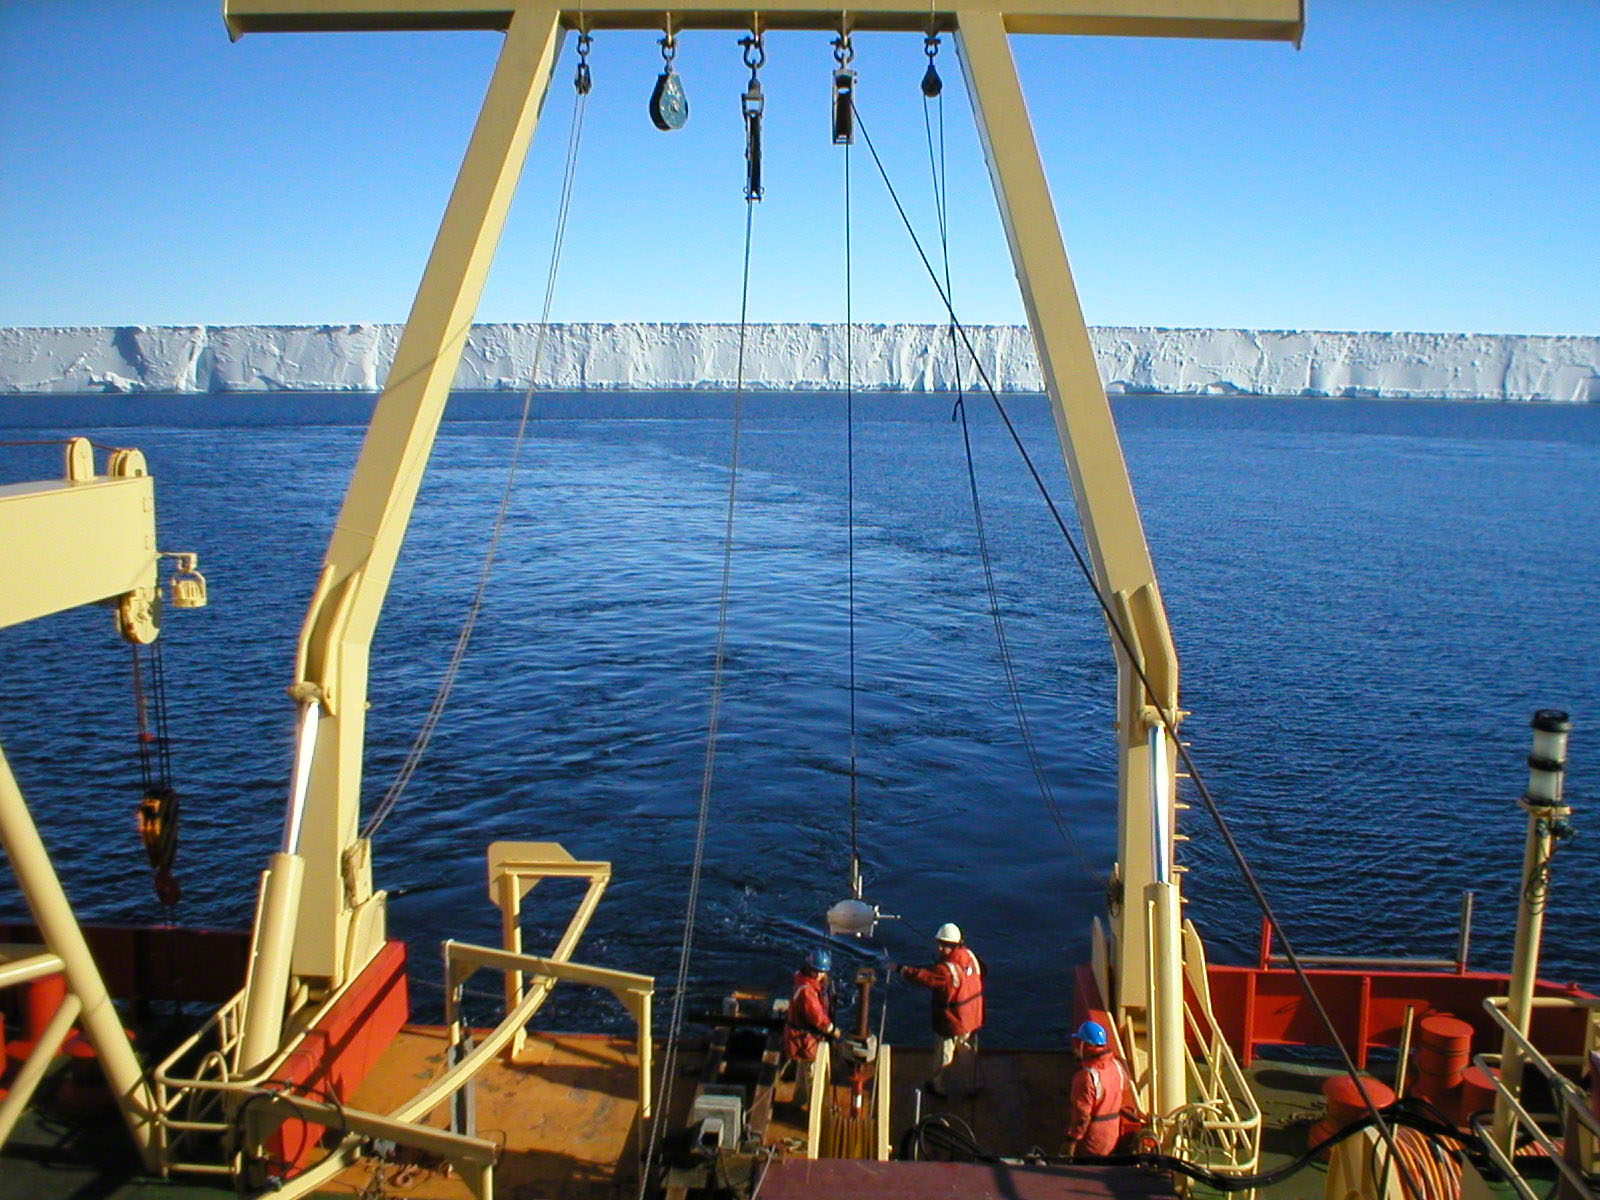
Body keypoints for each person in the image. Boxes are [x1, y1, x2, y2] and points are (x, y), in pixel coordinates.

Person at [896, 922, 983, 1097]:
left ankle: (938, 1088)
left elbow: (924, 978)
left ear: (950, 945)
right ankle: (973, 1086)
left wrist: (900, 969)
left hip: (951, 1022)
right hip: (972, 1018)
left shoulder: (945, 970)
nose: (939, 948)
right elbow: (981, 972)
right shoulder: (970, 956)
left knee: (943, 1056)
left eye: (942, 945)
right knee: (968, 1055)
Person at [1062, 1019, 1129, 1158]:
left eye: (1078, 1042)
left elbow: (1082, 1115)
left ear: (1085, 1045)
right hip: (1112, 1137)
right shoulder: (1117, 1067)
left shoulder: (1086, 1076)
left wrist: (1071, 1141)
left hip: (1091, 1142)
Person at [782, 947, 839, 1098]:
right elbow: (817, 1017)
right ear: (809, 968)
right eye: (816, 971)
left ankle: (801, 1098)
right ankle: (808, 1104)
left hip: (803, 1036)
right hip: (803, 1039)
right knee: (811, 1074)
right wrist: (832, 1030)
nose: (819, 975)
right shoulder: (807, 991)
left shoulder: (805, 982)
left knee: (803, 1070)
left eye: (822, 972)